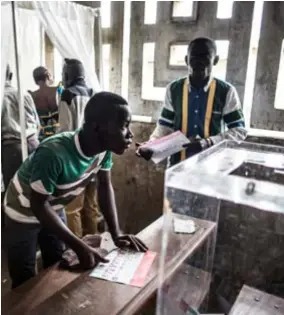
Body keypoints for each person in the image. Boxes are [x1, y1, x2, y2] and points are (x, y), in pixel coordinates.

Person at [4, 91, 147, 289]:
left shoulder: (103, 150)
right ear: (97, 128)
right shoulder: (53, 153)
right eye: (124, 126)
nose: (130, 134)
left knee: (55, 264)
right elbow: (38, 205)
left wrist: (116, 233)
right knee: (24, 278)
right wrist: (79, 245)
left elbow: (104, 187)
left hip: (52, 205)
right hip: (22, 210)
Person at [137, 37, 247, 166]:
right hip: (177, 164)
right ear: (186, 60)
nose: (199, 61)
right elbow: (165, 125)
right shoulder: (174, 89)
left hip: (212, 165)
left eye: (205, 56)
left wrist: (207, 143)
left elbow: (239, 131)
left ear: (215, 60)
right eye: (194, 56)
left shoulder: (226, 91)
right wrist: (152, 144)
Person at [58, 58, 101, 238]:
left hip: (75, 159)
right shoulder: (92, 93)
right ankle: (94, 243)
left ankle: (77, 250)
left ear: (68, 75)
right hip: (94, 158)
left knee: (72, 208)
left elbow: (65, 131)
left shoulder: (68, 95)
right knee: (91, 207)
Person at [1, 65, 40, 192]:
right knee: (36, 191)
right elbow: (37, 123)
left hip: (12, 149)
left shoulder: (2, 96)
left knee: (13, 193)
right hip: (33, 144)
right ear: (11, 75)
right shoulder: (24, 93)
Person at [29, 66, 59, 141]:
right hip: (58, 134)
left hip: (41, 136)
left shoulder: (32, 96)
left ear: (35, 80)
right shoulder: (57, 91)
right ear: (48, 76)